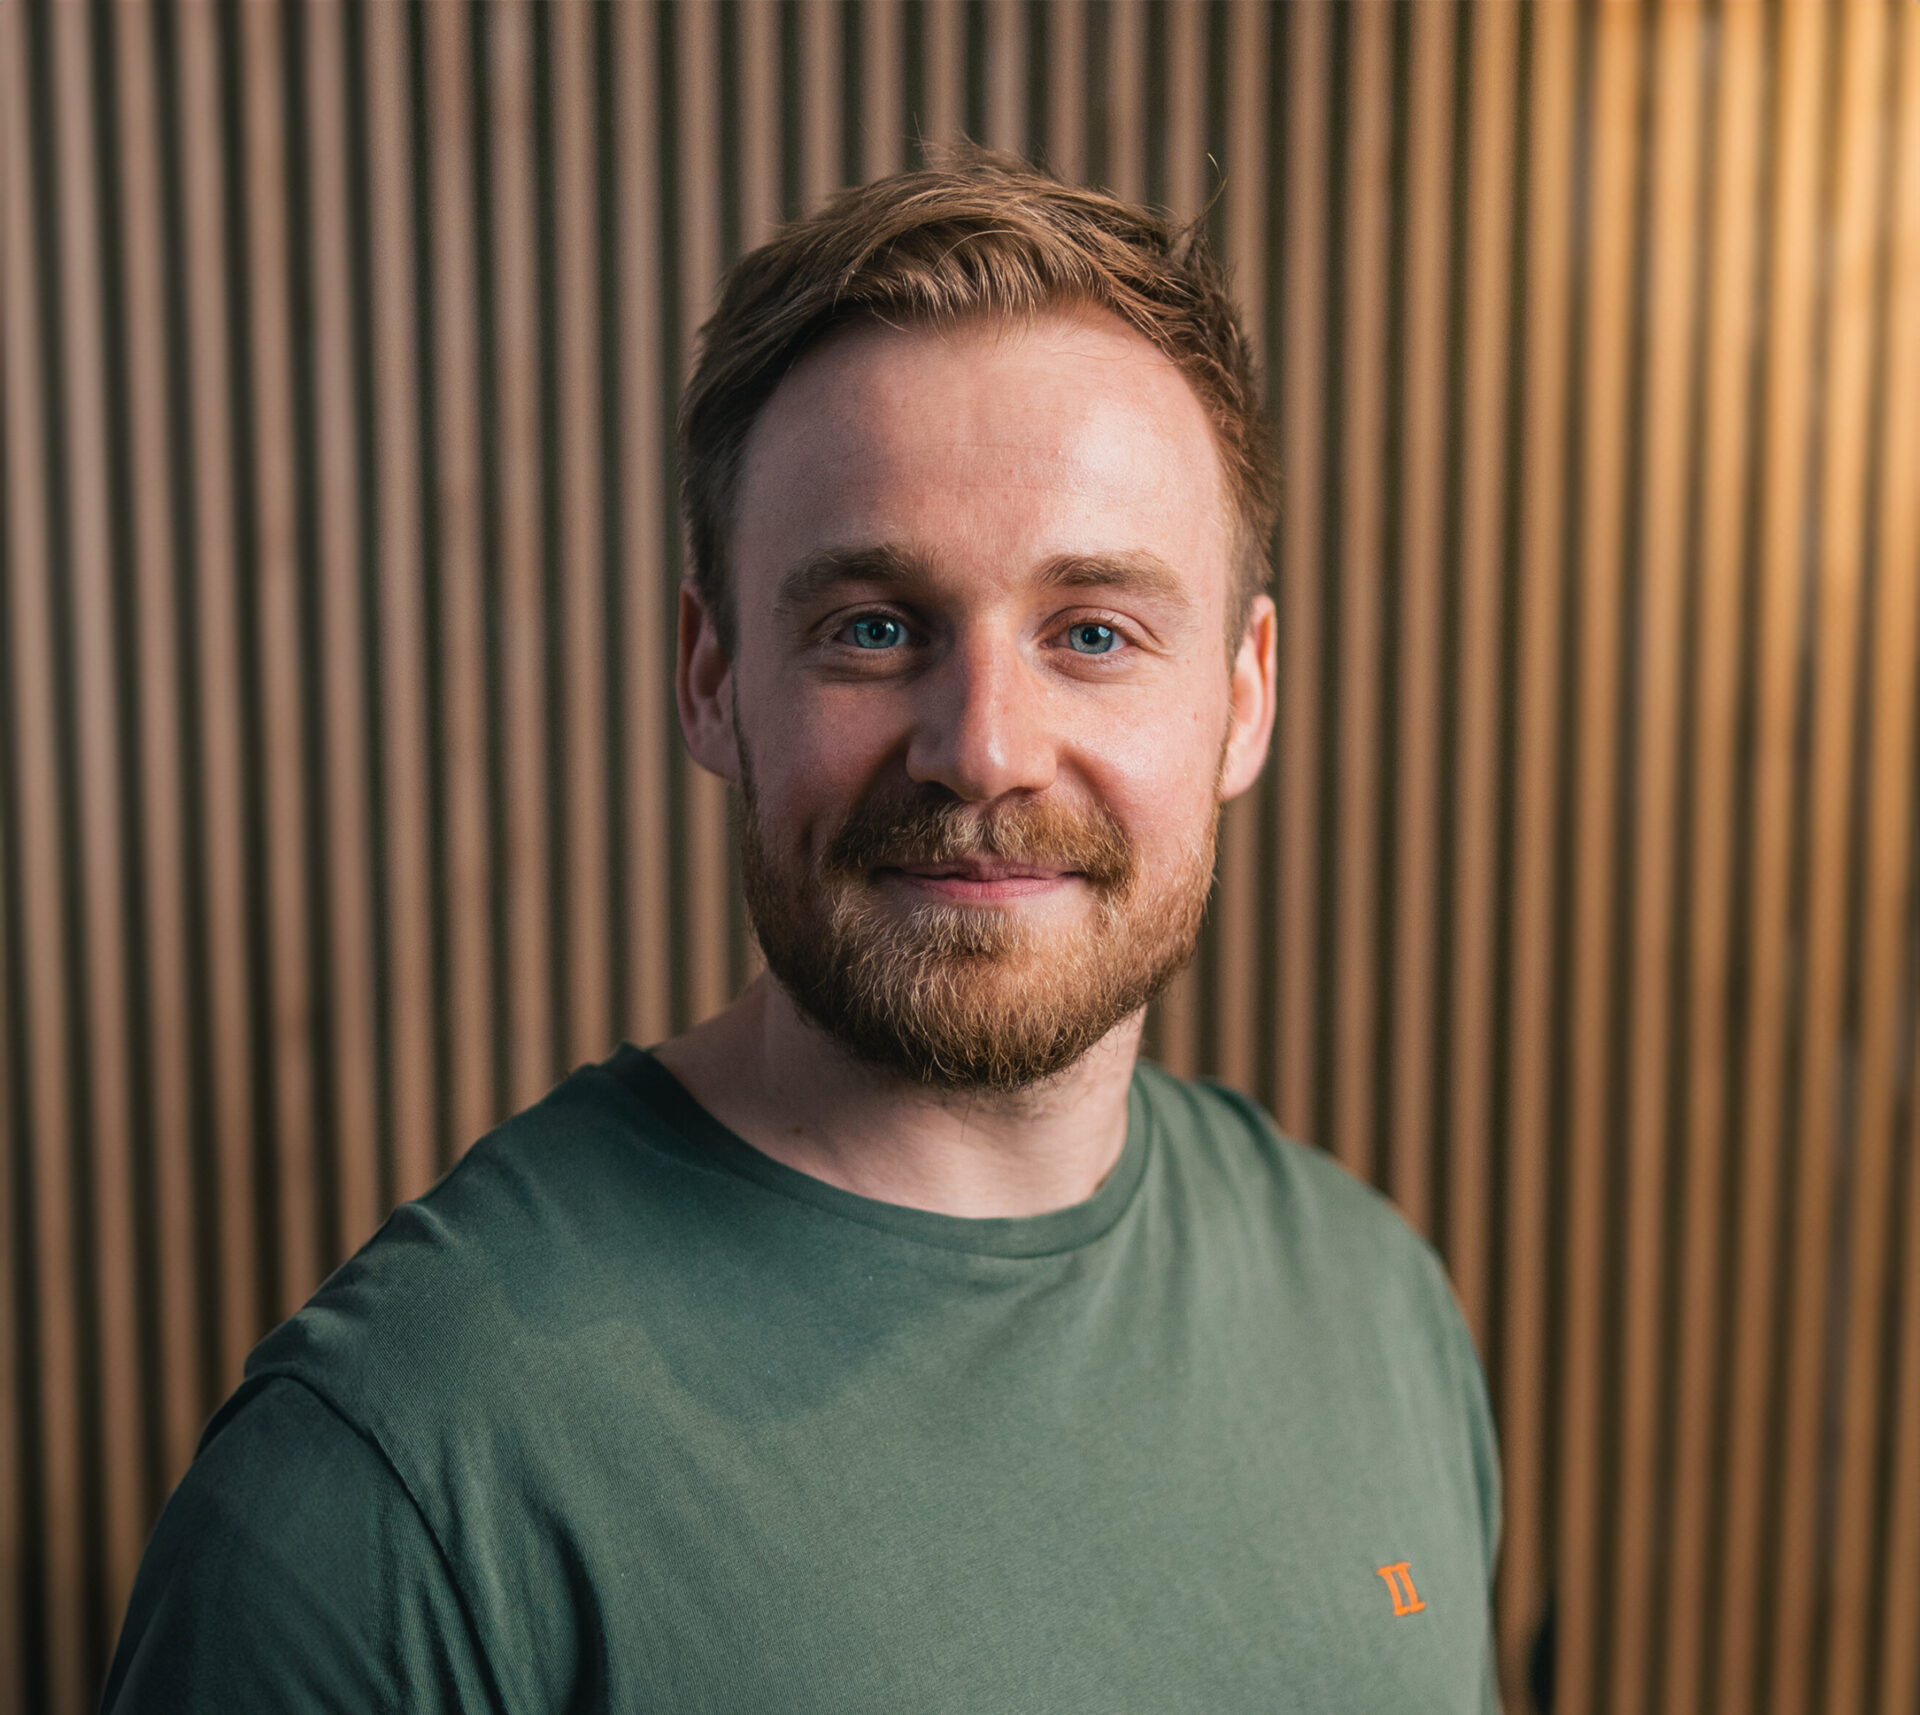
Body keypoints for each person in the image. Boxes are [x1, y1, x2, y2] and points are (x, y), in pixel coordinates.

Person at [104, 149, 1500, 1713]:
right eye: (874, 628)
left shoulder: (1376, 1306)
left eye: (1095, 633)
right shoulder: (387, 1496)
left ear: (1244, 696)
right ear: (711, 679)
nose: (983, 748)